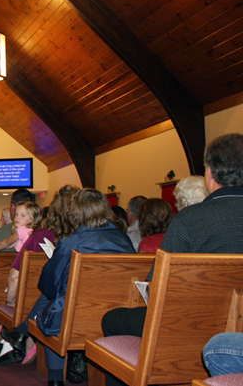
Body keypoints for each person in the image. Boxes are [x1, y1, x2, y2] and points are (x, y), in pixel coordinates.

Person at [101, 133, 243, 386]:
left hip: (188, 323)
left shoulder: (190, 219)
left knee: (111, 319)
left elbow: (157, 288)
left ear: (209, 174)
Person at [0, 189, 134, 386]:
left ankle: (54, 377)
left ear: (75, 213)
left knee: (56, 305)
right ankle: (22, 332)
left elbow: (48, 285)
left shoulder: (71, 242)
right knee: (61, 301)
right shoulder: (124, 240)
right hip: (116, 314)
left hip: (73, 319)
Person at [0, 201, 55, 364]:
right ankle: (13, 340)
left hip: (24, 287)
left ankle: (11, 337)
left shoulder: (25, 232)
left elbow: (11, 267)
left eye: (22, 215)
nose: (17, 217)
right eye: (16, 214)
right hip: (43, 292)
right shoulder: (52, 235)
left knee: (9, 297)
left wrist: (9, 301)